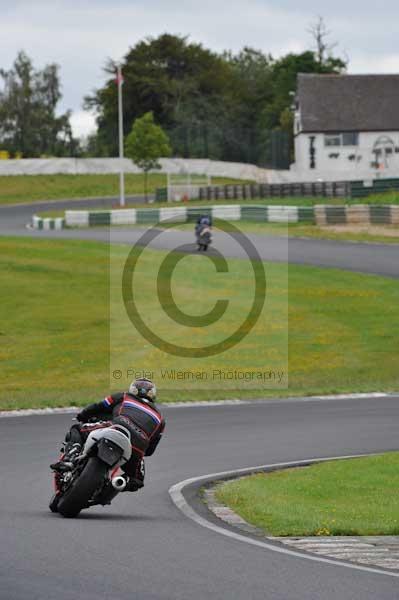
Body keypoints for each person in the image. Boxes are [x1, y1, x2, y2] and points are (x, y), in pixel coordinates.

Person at [50, 378, 165, 492]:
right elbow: (150, 451)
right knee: (137, 481)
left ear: (133, 389)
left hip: (116, 426)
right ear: (153, 394)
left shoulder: (123, 396)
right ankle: (114, 485)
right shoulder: (160, 419)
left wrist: (82, 415)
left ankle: (70, 458)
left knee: (77, 429)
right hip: (138, 446)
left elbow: (98, 406)